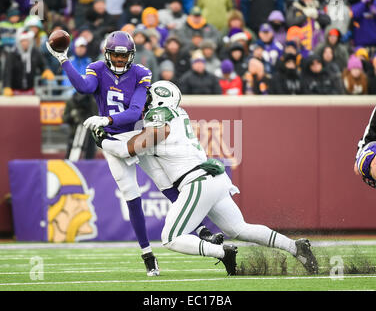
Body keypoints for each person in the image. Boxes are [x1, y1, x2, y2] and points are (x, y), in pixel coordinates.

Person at [91, 80, 319, 276]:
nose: (143, 103)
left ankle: (222, 252)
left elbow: (130, 148)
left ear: (158, 102)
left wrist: (104, 140)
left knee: (170, 237)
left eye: (148, 98)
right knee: (240, 228)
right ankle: (294, 246)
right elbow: (149, 159)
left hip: (197, 181)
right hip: (213, 179)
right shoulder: (179, 114)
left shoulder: (158, 117)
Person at [46, 30, 159, 276]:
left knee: (167, 182)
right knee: (131, 194)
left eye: (124, 56)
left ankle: (201, 231)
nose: (120, 61)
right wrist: (64, 60)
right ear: (107, 55)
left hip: (135, 136)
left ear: (131, 55)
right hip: (112, 139)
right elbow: (84, 88)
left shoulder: (141, 73)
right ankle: (147, 253)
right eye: (116, 56)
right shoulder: (97, 68)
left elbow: (135, 111)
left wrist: (105, 119)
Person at [3, 30, 54, 96]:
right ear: (19, 42)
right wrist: (7, 86)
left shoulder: (35, 53)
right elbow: (7, 72)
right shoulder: (12, 55)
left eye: (26, 41)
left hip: (30, 90)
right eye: (22, 41)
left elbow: (43, 64)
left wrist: (46, 70)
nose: (24, 43)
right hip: (14, 91)